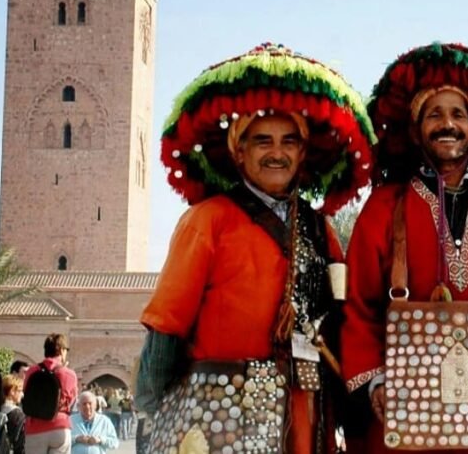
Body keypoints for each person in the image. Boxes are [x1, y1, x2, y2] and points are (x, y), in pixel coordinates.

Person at [136, 43, 374, 454]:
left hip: (307, 415)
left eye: (289, 141)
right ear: (239, 150)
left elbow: (340, 321)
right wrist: (151, 406)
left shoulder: (321, 230)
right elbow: (167, 327)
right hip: (220, 413)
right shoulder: (207, 220)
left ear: (303, 153)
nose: (276, 153)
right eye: (262, 140)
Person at [342, 42, 468, 452]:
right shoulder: (384, 207)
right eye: (433, 114)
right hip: (405, 411)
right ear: (416, 129)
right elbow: (358, 305)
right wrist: (374, 378)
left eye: (458, 115)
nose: (447, 124)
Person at [23, 333, 78, 454]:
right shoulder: (69, 374)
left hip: (34, 427)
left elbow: (25, 392)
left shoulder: (32, 371)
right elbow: (72, 401)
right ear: (62, 350)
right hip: (60, 426)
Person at [0, 375, 26, 454]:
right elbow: (20, 444)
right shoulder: (18, 415)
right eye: (20, 391)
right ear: (12, 391)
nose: (22, 395)